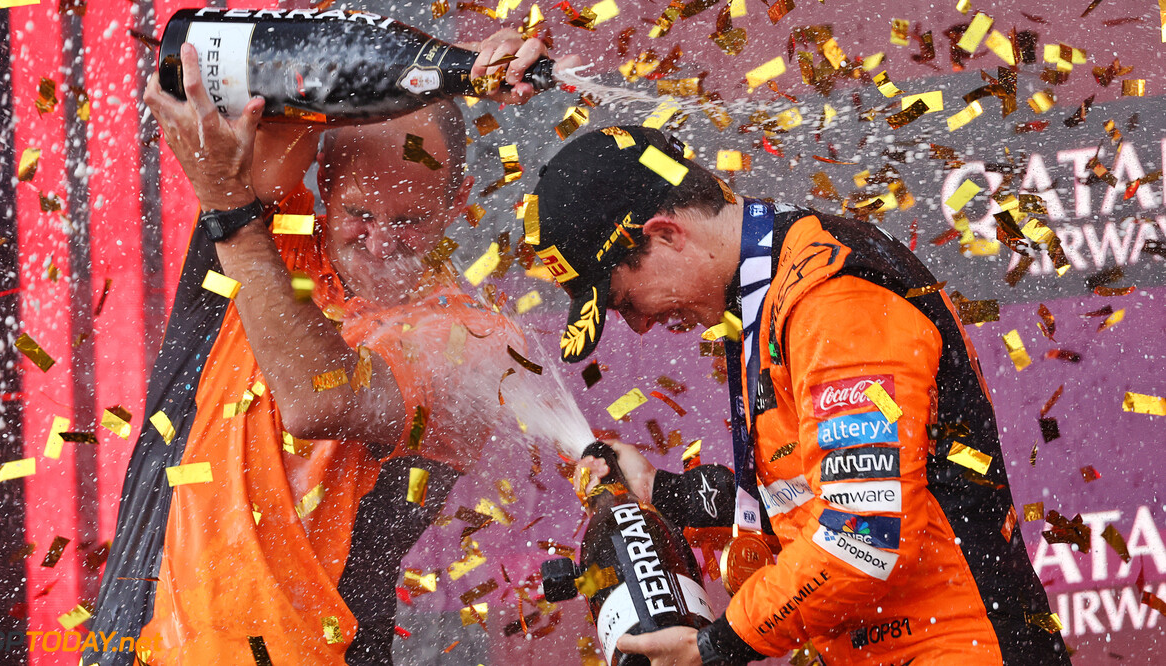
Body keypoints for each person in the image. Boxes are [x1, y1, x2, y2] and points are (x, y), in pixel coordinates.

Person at [86, 28, 576, 666]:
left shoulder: (481, 342)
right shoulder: (275, 234)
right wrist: (466, 67)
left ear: (456, 202)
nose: (378, 244)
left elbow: (324, 400)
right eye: (360, 215)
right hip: (136, 644)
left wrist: (232, 213)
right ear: (322, 186)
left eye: (408, 221)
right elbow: (306, 63)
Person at [529, 126, 1071, 665]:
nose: (640, 325)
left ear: (666, 234)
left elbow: (864, 537)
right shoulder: (771, 287)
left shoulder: (828, 299)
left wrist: (714, 647)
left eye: (624, 300)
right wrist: (663, 491)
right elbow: (814, 498)